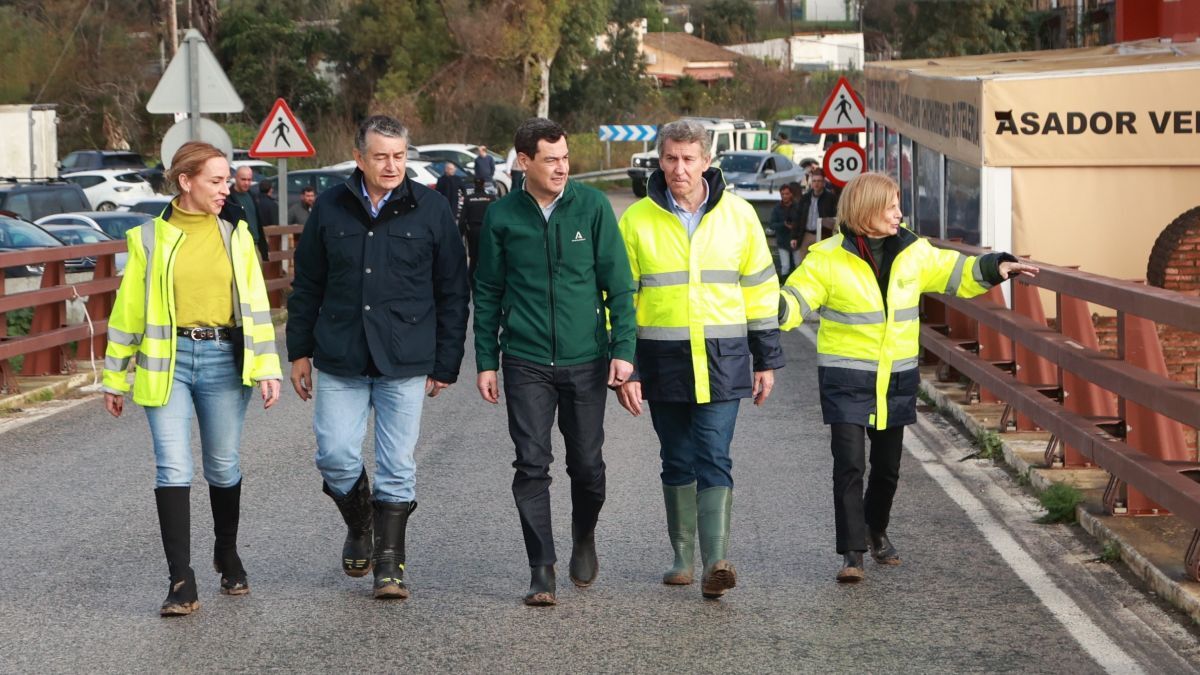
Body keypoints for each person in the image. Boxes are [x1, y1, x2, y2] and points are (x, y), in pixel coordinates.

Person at [778, 172, 1038, 582]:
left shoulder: (913, 251)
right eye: (891, 206)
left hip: (895, 378)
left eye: (899, 205)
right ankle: (852, 554)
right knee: (849, 465)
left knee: (887, 469)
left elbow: (957, 271)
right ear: (866, 211)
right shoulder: (826, 257)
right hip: (846, 378)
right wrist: (775, 310)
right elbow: (797, 297)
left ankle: (875, 528)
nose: (900, 213)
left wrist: (995, 266)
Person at [286, 115, 469, 600]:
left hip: (404, 358)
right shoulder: (329, 208)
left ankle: (390, 564)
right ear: (360, 158)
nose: (391, 165)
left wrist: (447, 362)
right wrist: (298, 351)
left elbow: (453, 290)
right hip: (341, 355)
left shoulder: (430, 210)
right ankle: (360, 522)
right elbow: (307, 286)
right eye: (381, 156)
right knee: (335, 454)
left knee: (397, 464)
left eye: (399, 156)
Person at [101, 140, 282, 616]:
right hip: (168, 362)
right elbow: (128, 310)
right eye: (216, 181)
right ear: (186, 181)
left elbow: (255, 305)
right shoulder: (146, 239)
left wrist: (266, 365)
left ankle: (226, 551)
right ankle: (181, 580)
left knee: (222, 465)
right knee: (172, 467)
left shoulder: (235, 235)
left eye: (227, 180)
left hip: (225, 360)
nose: (226, 189)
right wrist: (115, 376)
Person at [615, 119, 784, 600]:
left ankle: (716, 561)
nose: (679, 169)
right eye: (671, 158)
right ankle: (681, 557)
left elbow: (760, 291)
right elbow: (620, 300)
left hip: (724, 360)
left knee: (714, 453)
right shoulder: (637, 220)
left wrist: (765, 360)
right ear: (659, 160)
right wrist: (624, 366)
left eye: (689, 159)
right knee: (676, 457)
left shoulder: (740, 216)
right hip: (662, 360)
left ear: (708, 162)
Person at [473, 117, 637, 607]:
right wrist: (486, 359)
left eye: (565, 158)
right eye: (551, 160)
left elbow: (619, 285)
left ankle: (583, 536)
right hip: (524, 359)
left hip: (587, 357)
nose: (562, 168)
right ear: (524, 161)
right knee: (531, 464)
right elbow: (487, 292)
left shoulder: (591, 207)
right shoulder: (501, 217)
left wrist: (623, 350)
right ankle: (540, 568)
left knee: (587, 467)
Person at [792, 168, 839, 264]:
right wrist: (794, 237)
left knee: (821, 262)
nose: (816, 184)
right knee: (802, 263)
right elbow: (798, 217)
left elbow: (835, 217)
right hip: (806, 234)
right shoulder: (805, 198)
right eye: (814, 181)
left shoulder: (830, 198)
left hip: (823, 234)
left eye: (819, 181)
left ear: (823, 183)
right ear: (811, 183)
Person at [460, 177, 494, 291]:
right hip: (487, 231)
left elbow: (462, 219)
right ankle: (487, 282)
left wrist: (459, 234)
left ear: (474, 185)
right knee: (487, 257)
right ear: (484, 185)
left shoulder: (469, 199)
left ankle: (472, 282)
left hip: (472, 231)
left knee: (473, 257)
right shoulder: (490, 198)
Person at [230, 166, 269, 260]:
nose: (246, 183)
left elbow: (258, 223)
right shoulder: (229, 198)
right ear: (235, 177)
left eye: (249, 179)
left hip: (255, 244)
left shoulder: (252, 195)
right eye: (243, 179)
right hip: (238, 247)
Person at [768, 182, 801, 277]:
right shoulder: (777, 208)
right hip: (783, 241)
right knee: (785, 266)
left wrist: (794, 225)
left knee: (798, 265)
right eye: (782, 194)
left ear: (791, 194)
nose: (784, 196)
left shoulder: (797, 206)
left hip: (796, 240)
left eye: (786, 194)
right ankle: (784, 284)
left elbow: (802, 221)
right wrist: (784, 224)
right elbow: (772, 224)